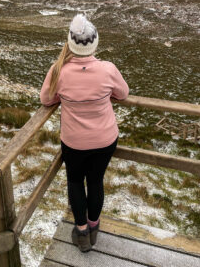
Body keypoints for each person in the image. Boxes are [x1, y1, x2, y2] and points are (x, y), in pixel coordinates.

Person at [40, 13, 129, 253]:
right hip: (105, 139)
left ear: (69, 43)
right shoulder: (107, 69)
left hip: (74, 142)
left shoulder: (59, 71)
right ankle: (94, 227)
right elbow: (123, 94)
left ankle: (81, 233)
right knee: (96, 181)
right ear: (95, 42)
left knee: (75, 182)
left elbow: (46, 99)